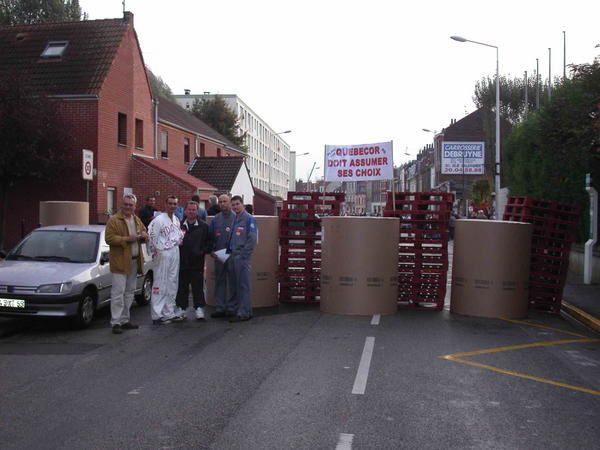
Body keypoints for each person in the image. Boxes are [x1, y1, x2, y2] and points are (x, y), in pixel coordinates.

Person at [105, 194, 148, 334]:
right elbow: (109, 238)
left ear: (135, 206)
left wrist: (144, 236)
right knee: (118, 292)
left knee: (130, 292)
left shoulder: (136, 219)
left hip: (135, 261)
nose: (128, 207)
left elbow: (144, 231)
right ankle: (115, 322)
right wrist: (127, 239)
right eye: (126, 204)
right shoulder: (114, 220)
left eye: (131, 205)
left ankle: (125, 319)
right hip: (120, 261)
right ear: (121, 205)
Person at [148, 195, 185, 324]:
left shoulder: (176, 219)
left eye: (175, 204)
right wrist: (155, 252)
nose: (172, 206)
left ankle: (169, 312)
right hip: (162, 252)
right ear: (165, 204)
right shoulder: (158, 220)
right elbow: (151, 237)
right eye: (170, 203)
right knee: (160, 282)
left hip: (174, 251)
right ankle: (157, 315)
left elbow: (178, 236)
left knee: (172, 282)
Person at [175, 201, 214, 320]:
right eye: (189, 210)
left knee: (198, 286)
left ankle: (199, 308)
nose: (191, 212)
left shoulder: (204, 226)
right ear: (185, 211)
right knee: (182, 286)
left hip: (197, 262)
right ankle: (182, 308)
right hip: (182, 261)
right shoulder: (178, 225)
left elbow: (210, 243)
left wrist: (202, 251)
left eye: (193, 210)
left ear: (197, 211)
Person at [226, 195, 258, 322]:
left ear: (243, 204)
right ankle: (234, 309)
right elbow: (232, 238)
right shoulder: (235, 219)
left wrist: (244, 255)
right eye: (233, 205)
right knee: (233, 285)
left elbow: (252, 239)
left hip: (241, 257)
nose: (235, 207)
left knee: (243, 285)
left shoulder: (249, 219)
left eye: (237, 204)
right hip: (232, 256)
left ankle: (245, 312)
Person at [208, 194, 237, 318]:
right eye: (220, 202)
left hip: (233, 256)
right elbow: (210, 237)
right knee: (219, 281)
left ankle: (232, 308)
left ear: (230, 203)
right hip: (219, 256)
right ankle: (220, 308)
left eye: (225, 201)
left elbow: (240, 238)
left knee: (232, 282)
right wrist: (211, 250)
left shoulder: (237, 218)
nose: (222, 204)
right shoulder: (216, 219)